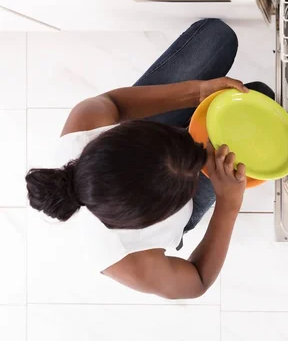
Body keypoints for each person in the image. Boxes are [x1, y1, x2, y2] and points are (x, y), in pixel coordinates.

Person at [25, 19, 274, 300]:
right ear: (155, 218)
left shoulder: (85, 128)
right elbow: (199, 279)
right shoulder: (124, 258)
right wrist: (229, 203)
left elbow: (115, 104)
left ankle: (175, 131)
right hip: (175, 197)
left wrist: (197, 92)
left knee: (217, 37)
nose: (201, 145)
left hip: (152, 143)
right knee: (262, 97)